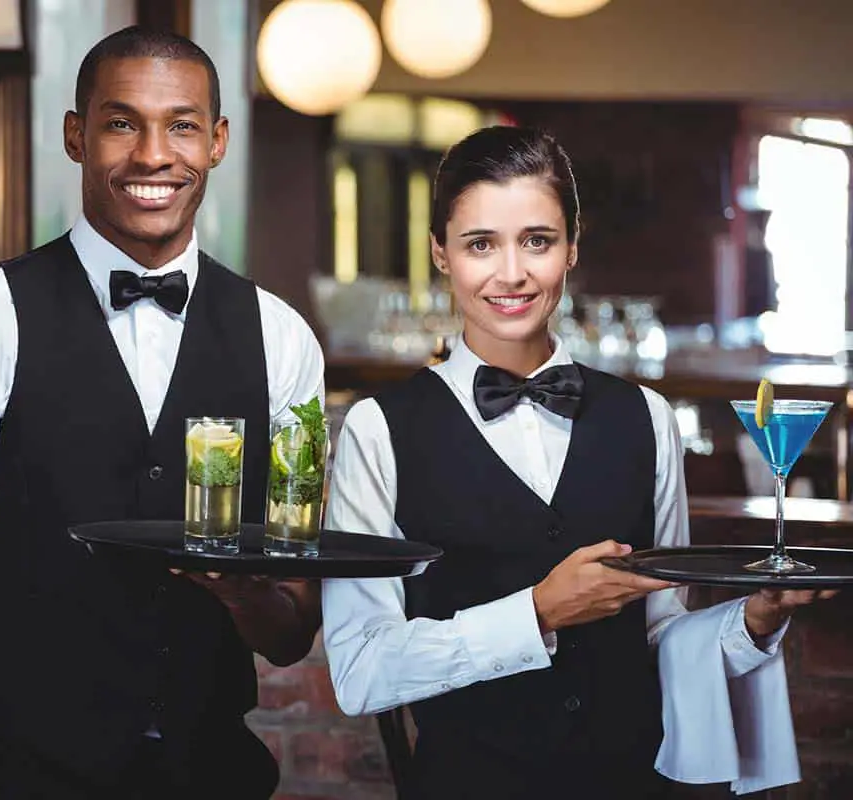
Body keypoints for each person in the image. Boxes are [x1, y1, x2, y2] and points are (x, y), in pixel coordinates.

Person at [0, 25, 325, 800]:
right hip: (32, 772)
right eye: (122, 123)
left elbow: (289, 635)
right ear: (75, 136)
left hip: (214, 772)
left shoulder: (282, 341)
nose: (153, 155)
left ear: (216, 142)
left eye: (181, 125)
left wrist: (240, 587)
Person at [320, 125, 836, 799]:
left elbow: (661, 635)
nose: (512, 273)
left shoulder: (645, 417)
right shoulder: (378, 429)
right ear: (440, 253)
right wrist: (537, 612)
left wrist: (754, 622)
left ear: (571, 249)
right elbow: (362, 671)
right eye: (481, 244)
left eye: (538, 240)